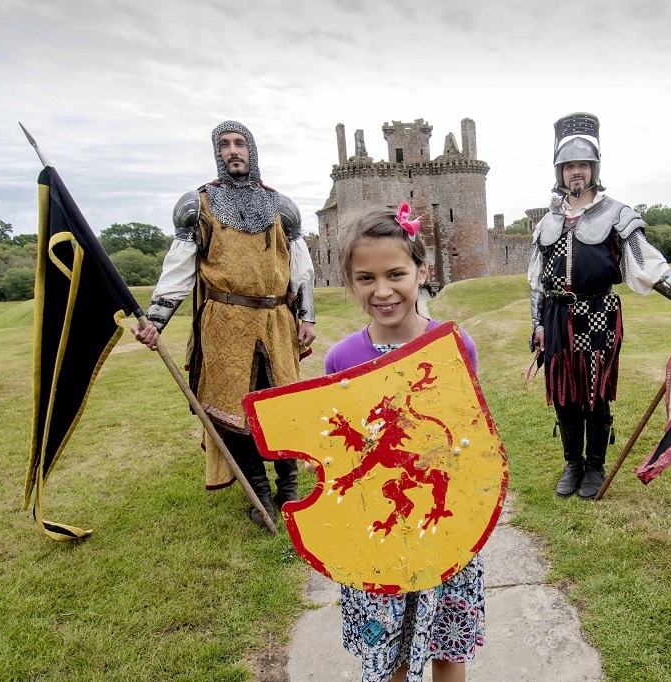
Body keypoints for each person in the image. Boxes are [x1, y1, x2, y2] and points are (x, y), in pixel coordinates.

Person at [324, 205, 484, 682]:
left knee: (446, 644)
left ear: (421, 271)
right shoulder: (342, 358)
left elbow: (469, 437)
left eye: (396, 273)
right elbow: (340, 446)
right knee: (391, 648)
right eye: (365, 278)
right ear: (351, 283)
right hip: (379, 524)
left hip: (443, 521)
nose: (382, 290)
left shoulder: (455, 345)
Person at [132, 120, 316, 529]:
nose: (234, 150)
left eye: (240, 143)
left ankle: (289, 486)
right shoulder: (198, 205)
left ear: (252, 149)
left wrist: (307, 316)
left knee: (281, 403)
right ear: (217, 152)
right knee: (234, 411)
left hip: (276, 320)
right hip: (224, 321)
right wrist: (156, 321)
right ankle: (259, 493)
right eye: (225, 145)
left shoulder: (281, 206)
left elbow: (300, 269)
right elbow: (178, 269)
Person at [528, 112, 671, 500]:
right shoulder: (548, 222)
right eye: (569, 166)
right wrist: (538, 325)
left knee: (593, 391)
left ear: (594, 170)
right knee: (563, 393)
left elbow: (651, 266)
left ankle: (595, 466)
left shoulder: (617, 215)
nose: (577, 172)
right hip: (557, 318)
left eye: (583, 165)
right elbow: (537, 281)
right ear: (560, 172)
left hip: (597, 314)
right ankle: (572, 463)